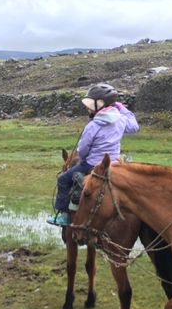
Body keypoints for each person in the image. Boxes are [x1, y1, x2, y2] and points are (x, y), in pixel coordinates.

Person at [47, 83, 138, 227]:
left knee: (63, 180)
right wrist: (122, 108)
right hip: (114, 162)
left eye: (91, 104)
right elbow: (134, 127)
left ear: (101, 104)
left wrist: (83, 158)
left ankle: (63, 216)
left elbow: (83, 149)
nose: (87, 107)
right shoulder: (121, 119)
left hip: (91, 164)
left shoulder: (94, 125)